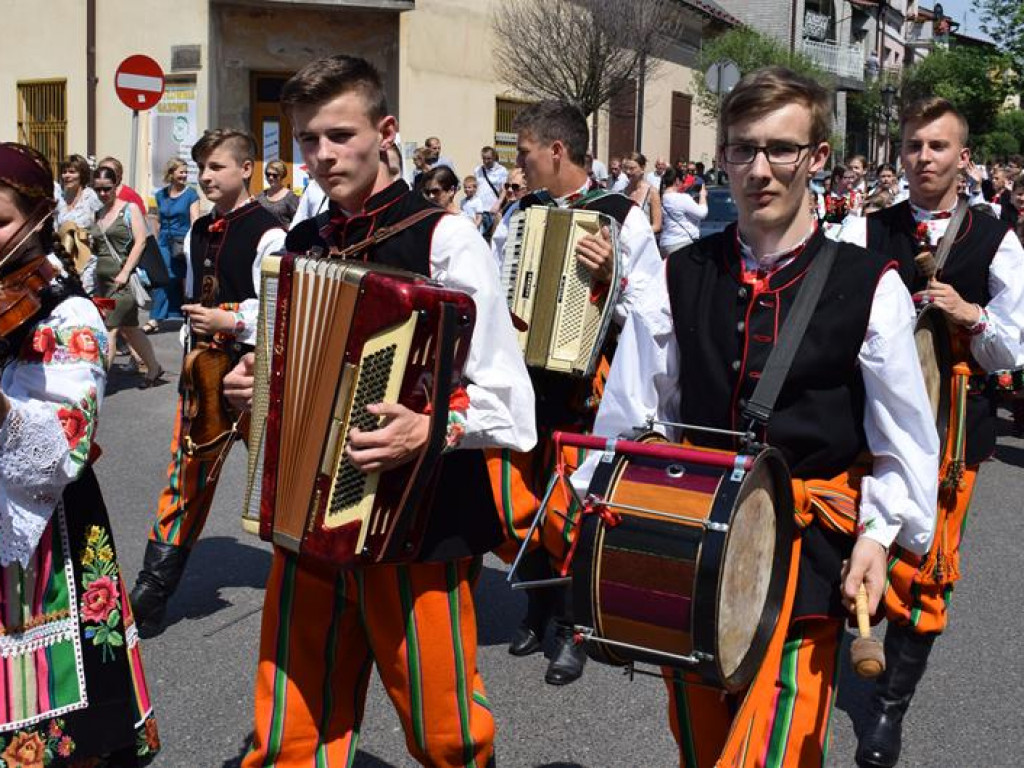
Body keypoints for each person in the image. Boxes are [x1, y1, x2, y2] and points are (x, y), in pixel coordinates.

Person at [573, 66, 939, 768]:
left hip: (806, 559)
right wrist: (599, 519)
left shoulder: (870, 287)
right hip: (690, 554)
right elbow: (631, 412)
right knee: (701, 750)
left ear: (819, 159)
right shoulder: (680, 275)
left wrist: (880, 534)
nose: (759, 169)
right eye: (743, 149)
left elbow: (902, 441)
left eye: (781, 150)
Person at [222, 54, 534, 768]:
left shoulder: (445, 237)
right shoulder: (298, 243)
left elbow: (510, 402)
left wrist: (431, 428)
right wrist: (255, 382)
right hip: (307, 516)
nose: (323, 155)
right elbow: (287, 370)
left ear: (386, 130)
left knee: (445, 731)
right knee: (290, 731)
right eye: (308, 140)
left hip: (414, 521)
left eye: (340, 135)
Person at [838, 97, 1024, 768]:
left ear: (963, 158)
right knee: (848, 534)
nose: (923, 158)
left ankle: (888, 711)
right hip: (870, 418)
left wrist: (970, 313)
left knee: (931, 569)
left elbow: (1014, 348)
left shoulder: (996, 238)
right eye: (914, 145)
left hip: (953, 431)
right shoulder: (867, 228)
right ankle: (854, 631)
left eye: (937, 147)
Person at [492, 100, 662, 687]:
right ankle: (537, 611)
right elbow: (497, 284)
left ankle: (573, 626)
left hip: (590, 383)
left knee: (576, 506)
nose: (520, 167)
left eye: (526, 154)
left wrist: (614, 274)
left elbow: (652, 311)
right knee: (526, 496)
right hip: (528, 378)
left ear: (556, 151)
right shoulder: (522, 214)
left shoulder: (621, 216)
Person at [0, 142, 160, 767]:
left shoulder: (70, 315)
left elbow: (55, 454)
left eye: (2, 221)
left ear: (41, 219)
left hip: (44, 530)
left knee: (59, 724)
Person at [128, 129, 286, 634]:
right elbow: (194, 296)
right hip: (205, 372)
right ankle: (151, 593)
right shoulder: (198, 230)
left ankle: (307, 584)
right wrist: (194, 345)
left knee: (279, 477)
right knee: (185, 477)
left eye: (217, 166)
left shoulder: (270, 232)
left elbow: (281, 308)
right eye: (203, 167)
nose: (207, 176)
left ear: (246, 169)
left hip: (255, 374)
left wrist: (233, 322)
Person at [88, 166, 164, 384]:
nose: (102, 194)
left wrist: (124, 272)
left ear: (115, 186)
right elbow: (98, 247)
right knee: (130, 329)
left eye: (107, 189)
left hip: (123, 282)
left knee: (110, 329)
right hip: (103, 281)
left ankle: (100, 384)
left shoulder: (129, 209)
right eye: (98, 189)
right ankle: (153, 368)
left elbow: (140, 242)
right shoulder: (98, 213)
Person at [148, 158, 200, 334]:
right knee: (162, 277)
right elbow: (155, 218)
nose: (184, 175)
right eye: (181, 172)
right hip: (163, 241)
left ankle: (189, 316)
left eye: (186, 172)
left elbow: (195, 219)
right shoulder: (160, 195)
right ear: (171, 173)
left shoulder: (191, 194)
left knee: (185, 280)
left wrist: (195, 241)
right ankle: (155, 318)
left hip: (182, 241)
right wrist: (155, 239)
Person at [658, 167, 707, 256]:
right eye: (682, 180)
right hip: (681, 243)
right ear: (677, 180)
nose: (683, 183)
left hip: (665, 243)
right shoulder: (682, 198)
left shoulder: (661, 198)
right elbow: (702, 213)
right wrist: (702, 195)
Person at [623, 151, 662, 234]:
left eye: (632, 168)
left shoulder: (652, 192)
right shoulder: (623, 191)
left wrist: (637, 234)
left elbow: (657, 225)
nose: (628, 172)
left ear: (642, 168)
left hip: (644, 242)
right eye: (626, 168)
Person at [475, 146, 508, 236]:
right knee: (479, 237)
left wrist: (498, 204)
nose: (486, 161)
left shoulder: (502, 170)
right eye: (484, 158)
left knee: (492, 237)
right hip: (480, 209)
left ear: (494, 157)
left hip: (492, 209)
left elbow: (504, 189)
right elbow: (476, 187)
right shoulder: (478, 170)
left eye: (488, 158)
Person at [256, 159, 300, 226]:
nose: (270, 177)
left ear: (282, 176)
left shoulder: (290, 197)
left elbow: (298, 221)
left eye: (275, 175)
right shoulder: (261, 196)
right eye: (268, 174)